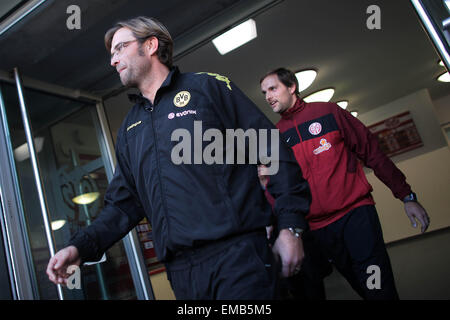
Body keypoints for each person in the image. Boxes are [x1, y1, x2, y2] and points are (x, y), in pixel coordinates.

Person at [46, 17, 311, 300]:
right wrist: (79, 247)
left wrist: (290, 226)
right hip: (182, 273)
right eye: (112, 53)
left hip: (239, 259)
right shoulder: (129, 130)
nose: (113, 60)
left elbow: (271, 149)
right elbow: (123, 206)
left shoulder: (208, 89)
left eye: (120, 48)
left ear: (150, 45)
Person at [259, 67, 430, 300]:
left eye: (273, 88)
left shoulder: (329, 112)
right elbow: (275, 187)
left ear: (291, 87)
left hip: (356, 215)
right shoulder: (275, 136)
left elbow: (372, 153)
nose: (268, 96)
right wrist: (271, 226)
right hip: (318, 230)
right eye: (264, 92)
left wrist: (407, 196)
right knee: (361, 286)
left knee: (377, 286)